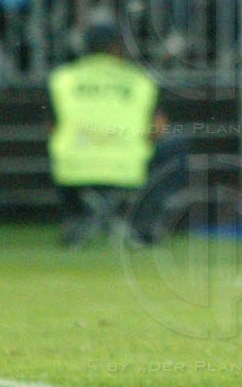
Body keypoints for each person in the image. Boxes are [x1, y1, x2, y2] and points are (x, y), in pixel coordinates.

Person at [47, 18, 175, 246]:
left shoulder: (62, 79)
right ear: (117, 47)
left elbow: (51, 128)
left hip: (74, 169)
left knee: (56, 148)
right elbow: (159, 128)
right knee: (174, 146)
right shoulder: (140, 80)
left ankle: (75, 218)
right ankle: (143, 225)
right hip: (129, 168)